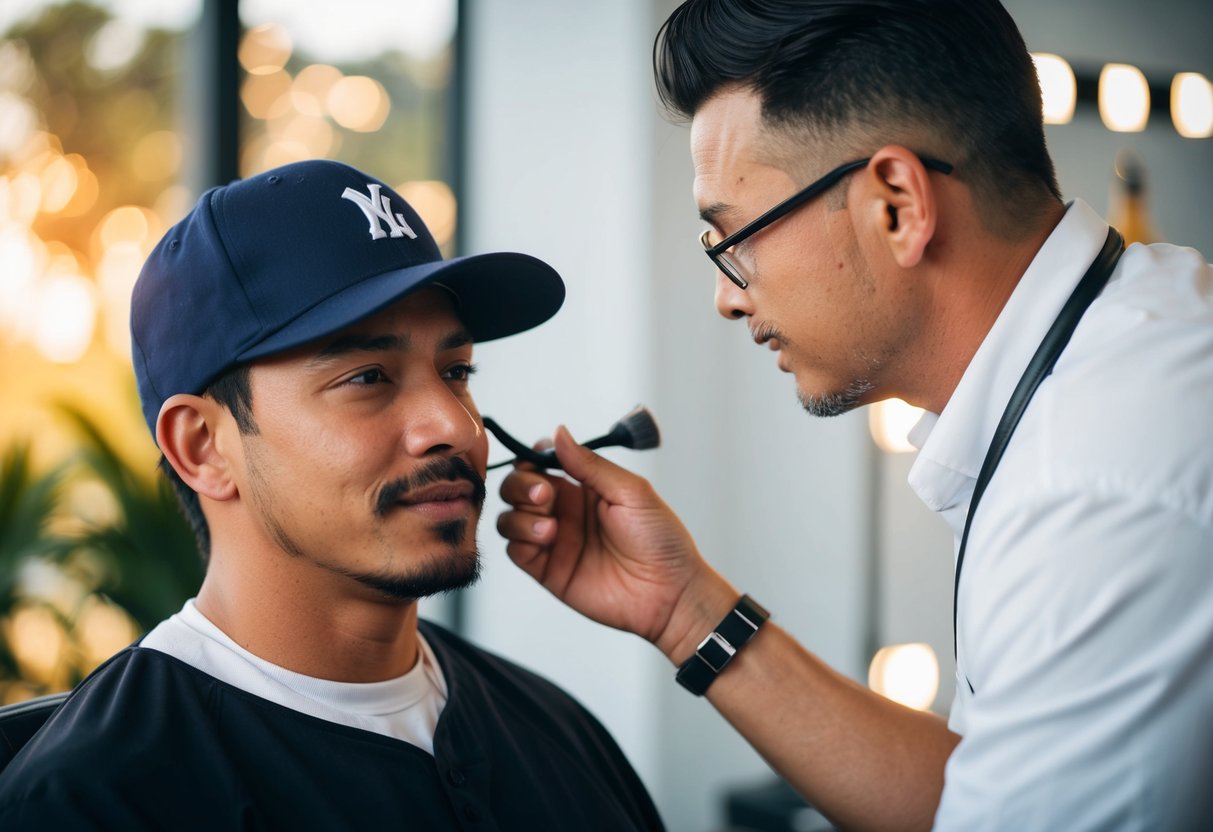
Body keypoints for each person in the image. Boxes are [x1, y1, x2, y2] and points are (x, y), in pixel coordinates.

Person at [496, 1, 1213, 829]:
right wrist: (685, 610)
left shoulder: (1092, 483)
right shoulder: (1138, 336)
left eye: (732, 240)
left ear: (897, 206)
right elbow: (983, 790)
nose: (726, 299)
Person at [0, 159, 663, 831]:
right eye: (368, 376)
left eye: (456, 371)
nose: (455, 428)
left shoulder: (558, 730)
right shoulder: (93, 799)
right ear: (202, 445)